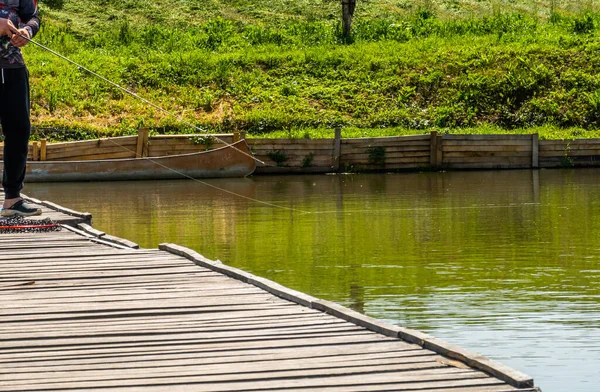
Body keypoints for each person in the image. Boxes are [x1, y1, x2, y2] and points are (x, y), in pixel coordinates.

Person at [0, 0, 41, 217]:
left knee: (19, 130)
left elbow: (34, 17)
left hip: (14, 67)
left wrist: (27, 30)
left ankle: (12, 200)